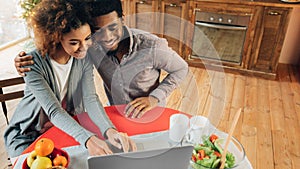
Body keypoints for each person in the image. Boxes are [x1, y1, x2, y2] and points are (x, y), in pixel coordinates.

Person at [14, 0, 189, 119]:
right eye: (98, 30)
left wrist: (154, 98)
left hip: (151, 112)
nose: (106, 37)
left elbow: (182, 69)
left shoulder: (152, 47)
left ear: (122, 20)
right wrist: (26, 57)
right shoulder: (90, 46)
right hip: (115, 113)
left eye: (113, 27)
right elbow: (59, 40)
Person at [4, 0, 135, 158]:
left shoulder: (83, 57)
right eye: (74, 42)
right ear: (56, 37)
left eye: (87, 38)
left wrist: (110, 130)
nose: (83, 47)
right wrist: (88, 140)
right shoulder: (32, 62)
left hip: (68, 128)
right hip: (29, 136)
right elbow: (53, 111)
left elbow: (90, 99)